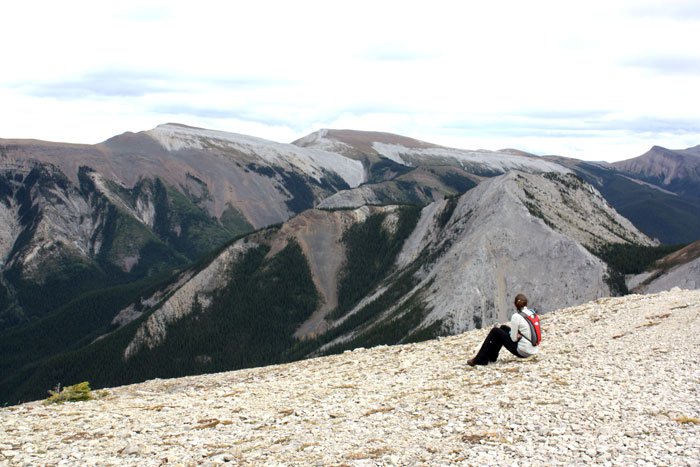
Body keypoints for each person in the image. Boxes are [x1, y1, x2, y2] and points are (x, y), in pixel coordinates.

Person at [467, 293, 539, 366]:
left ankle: (480, 359)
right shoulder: (532, 313)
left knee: (495, 331)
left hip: (523, 352)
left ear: (515, 304)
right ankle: (492, 357)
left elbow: (513, 339)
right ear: (526, 303)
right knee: (503, 328)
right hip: (533, 349)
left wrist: (517, 336)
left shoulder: (516, 316)